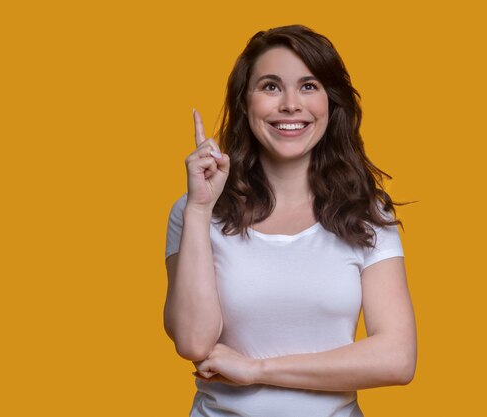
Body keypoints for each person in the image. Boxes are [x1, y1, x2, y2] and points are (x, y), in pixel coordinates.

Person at [164, 24, 417, 417]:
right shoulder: (194, 212)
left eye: (309, 86)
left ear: (331, 104)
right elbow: (195, 342)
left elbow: (398, 358)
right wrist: (199, 209)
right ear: (245, 103)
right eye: (270, 86)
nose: (290, 104)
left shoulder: (366, 213)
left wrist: (259, 370)